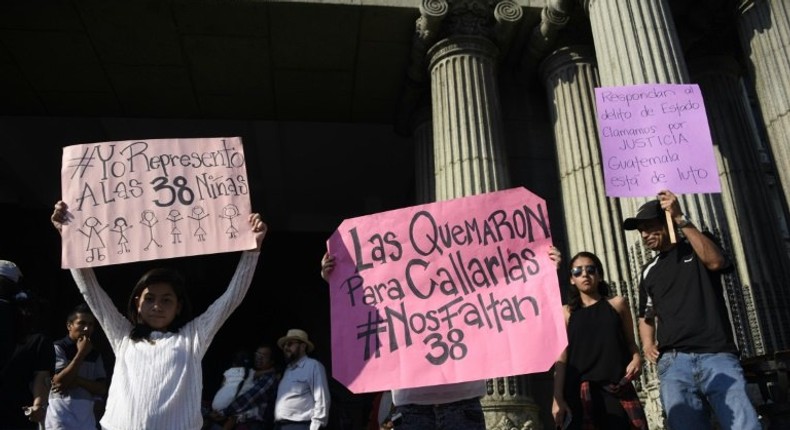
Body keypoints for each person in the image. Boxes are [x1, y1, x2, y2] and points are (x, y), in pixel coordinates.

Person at [50, 200, 268, 430]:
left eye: (167, 300)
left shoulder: (192, 337)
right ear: (137, 303)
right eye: (150, 299)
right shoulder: (123, 336)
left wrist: (252, 251)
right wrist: (69, 237)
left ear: (178, 307)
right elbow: (91, 292)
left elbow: (231, 298)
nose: (157, 306)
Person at [320, 246, 561, 430]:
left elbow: (508, 295)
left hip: (462, 401)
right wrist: (336, 278)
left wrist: (541, 268)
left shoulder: (468, 288)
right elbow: (361, 306)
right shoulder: (394, 293)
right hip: (411, 405)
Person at [623, 189, 761, 430]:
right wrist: (647, 344)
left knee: (743, 424)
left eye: (649, 226)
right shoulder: (648, 271)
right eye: (640, 230)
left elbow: (716, 262)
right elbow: (646, 315)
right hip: (674, 363)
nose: (644, 235)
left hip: (716, 354)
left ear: (665, 222)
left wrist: (680, 218)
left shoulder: (697, 246)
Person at [551, 251, 647, 430]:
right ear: (572, 279)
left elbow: (630, 343)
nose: (584, 275)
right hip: (579, 392)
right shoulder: (566, 313)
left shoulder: (618, 304)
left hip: (615, 389)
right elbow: (561, 358)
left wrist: (636, 358)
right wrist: (557, 398)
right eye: (577, 271)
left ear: (600, 275)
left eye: (590, 269)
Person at [0, 259, 55, 429]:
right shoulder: (37, 337)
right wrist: (39, 405)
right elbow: (42, 377)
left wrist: (38, 405)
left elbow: (42, 377)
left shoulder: (35, 339)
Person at [45, 302, 108, 429]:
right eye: (82, 323)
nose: (86, 328)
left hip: (86, 421)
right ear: (69, 325)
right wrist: (81, 353)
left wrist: (76, 381)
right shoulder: (58, 347)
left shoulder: (95, 354)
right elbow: (61, 381)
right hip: (60, 418)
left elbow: (102, 388)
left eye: (90, 324)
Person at [208, 342, 280, 430]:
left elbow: (247, 399)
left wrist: (224, 412)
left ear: (272, 361)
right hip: (234, 419)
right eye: (257, 354)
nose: (259, 358)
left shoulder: (270, 378)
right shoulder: (249, 374)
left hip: (251, 424)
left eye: (264, 356)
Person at [273, 328, 330, 430]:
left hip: (300, 425)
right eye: (284, 345)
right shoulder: (287, 370)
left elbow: (322, 399)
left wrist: (315, 426)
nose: (286, 347)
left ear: (303, 346)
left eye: (290, 343)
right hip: (280, 426)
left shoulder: (313, 366)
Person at [210, 348, 256, 413]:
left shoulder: (228, 372)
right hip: (230, 407)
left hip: (216, 404)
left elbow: (221, 387)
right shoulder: (252, 372)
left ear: (234, 363)